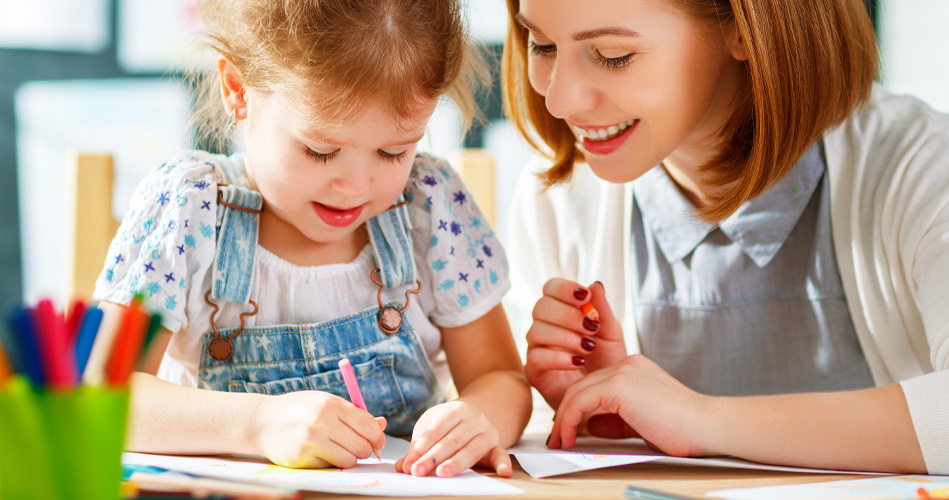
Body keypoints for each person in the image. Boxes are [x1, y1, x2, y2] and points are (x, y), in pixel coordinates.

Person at [85, 0, 531, 477]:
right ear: (238, 89)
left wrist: (481, 418)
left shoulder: (429, 206)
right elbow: (102, 398)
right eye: (321, 151)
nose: (356, 186)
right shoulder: (189, 207)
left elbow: (500, 377)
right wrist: (257, 424)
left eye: (393, 151)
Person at [502, 0, 949, 475]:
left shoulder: (923, 170)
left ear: (743, 30)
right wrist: (604, 413)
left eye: (612, 55)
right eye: (543, 45)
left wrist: (699, 420)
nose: (560, 99)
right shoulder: (557, 201)